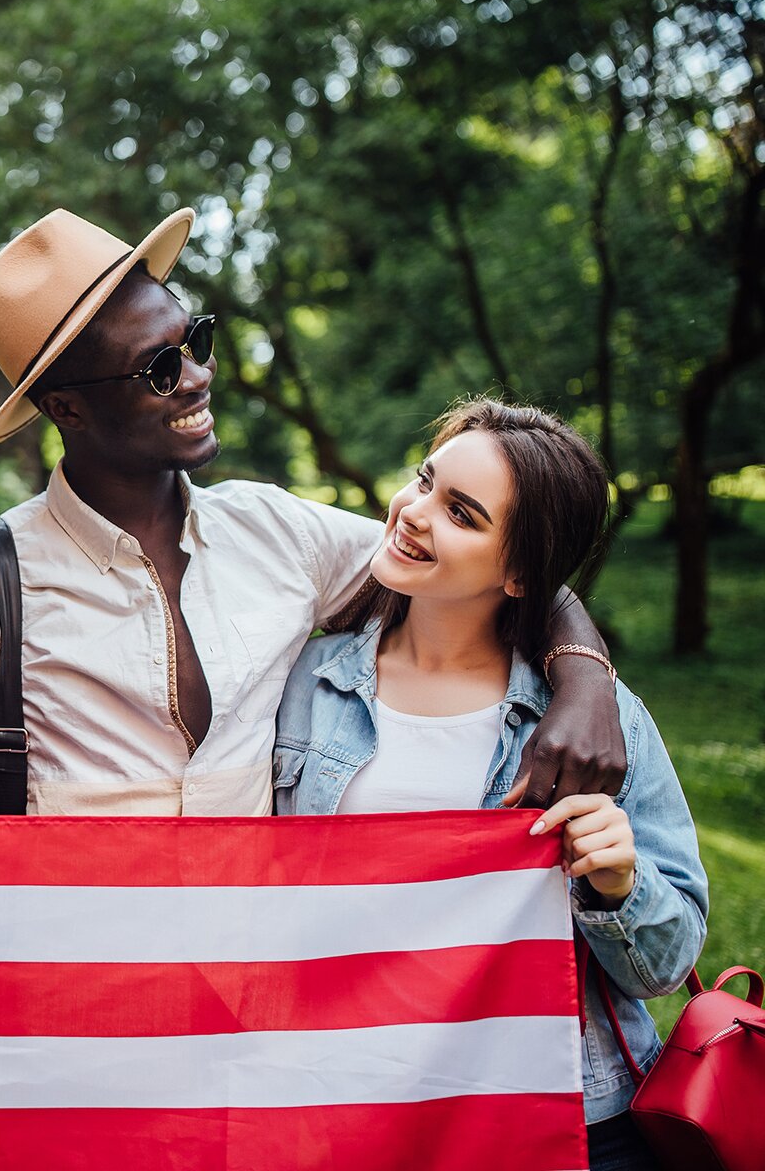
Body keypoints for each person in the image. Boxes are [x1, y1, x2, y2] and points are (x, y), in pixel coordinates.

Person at [0, 206, 628, 815]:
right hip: (77, 959)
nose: (198, 378)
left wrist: (586, 682)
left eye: (195, 341)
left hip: (255, 960)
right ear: (67, 408)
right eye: (161, 369)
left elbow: (483, 563)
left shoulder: (275, 530)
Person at [272, 399, 706, 1169]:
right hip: (347, 1100)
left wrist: (617, 883)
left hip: (556, 1112)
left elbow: (665, 966)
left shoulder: (600, 721)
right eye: (425, 481)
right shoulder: (303, 682)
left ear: (517, 574)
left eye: (461, 514)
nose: (413, 513)